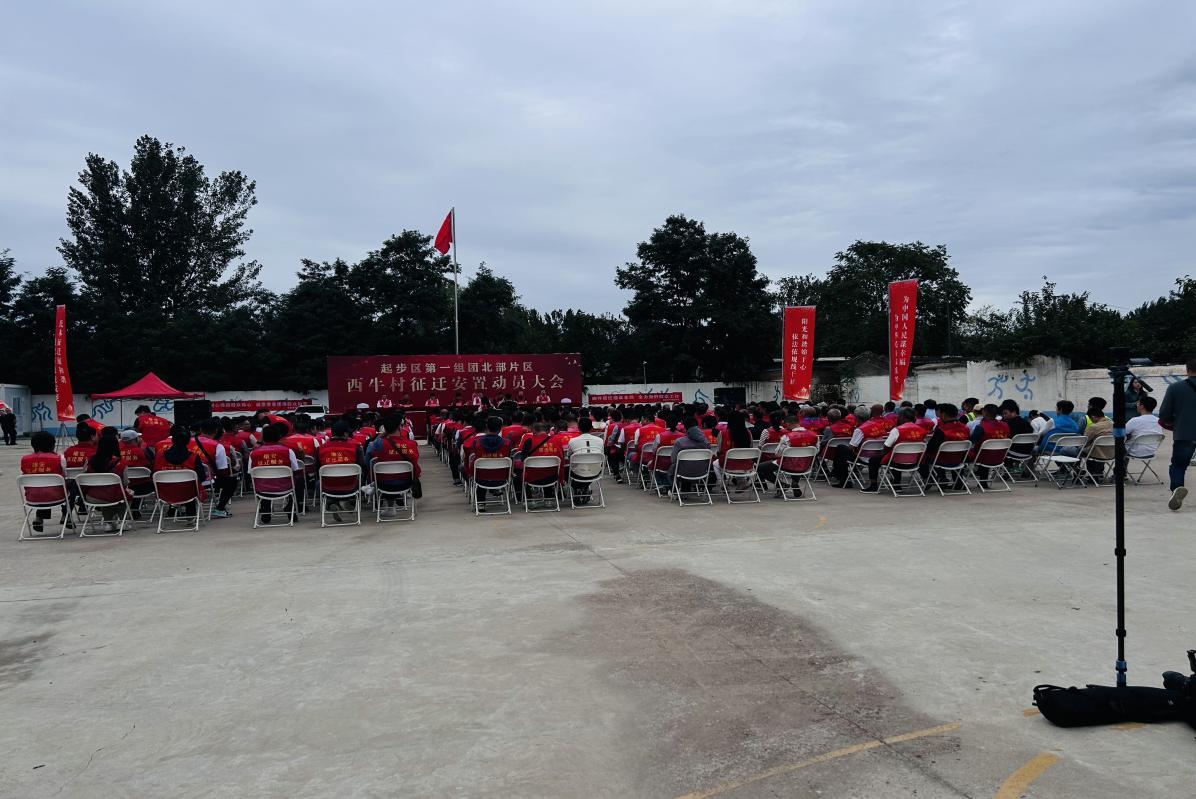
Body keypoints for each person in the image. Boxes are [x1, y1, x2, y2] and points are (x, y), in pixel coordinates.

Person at [1159, 356, 1196, 510]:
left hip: (1184, 433)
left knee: (1178, 465)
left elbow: (1164, 414)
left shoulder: (1175, 388)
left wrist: (1173, 422)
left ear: (1187, 370)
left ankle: (1177, 488)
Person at [20, 431, 73, 532]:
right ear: (52, 445)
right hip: (57, 497)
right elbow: (66, 475)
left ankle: (39, 517)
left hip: (32, 498)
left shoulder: (24, 459)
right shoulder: (59, 459)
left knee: (41, 487)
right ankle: (66, 516)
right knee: (71, 486)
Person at [369, 415, 422, 507]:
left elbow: (370, 460)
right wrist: (417, 474)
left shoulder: (378, 443)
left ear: (385, 429)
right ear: (399, 427)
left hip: (382, 483)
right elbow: (414, 463)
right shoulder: (411, 444)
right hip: (405, 483)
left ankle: (389, 506)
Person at [85, 434, 133, 532]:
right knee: (126, 493)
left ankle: (108, 523)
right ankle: (122, 521)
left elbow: (84, 477)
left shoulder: (90, 461)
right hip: (113, 496)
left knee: (104, 492)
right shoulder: (121, 463)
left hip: (92, 497)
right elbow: (125, 483)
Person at [196, 419, 236, 518]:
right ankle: (220, 509)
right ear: (216, 431)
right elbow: (222, 470)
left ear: (200, 429)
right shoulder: (217, 446)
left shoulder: (187, 441)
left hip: (185, 480)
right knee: (232, 482)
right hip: (205, 481)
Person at [1125, 395, 1163, 459]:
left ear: (1142, 406)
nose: (1136, 406)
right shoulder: (1159, 421)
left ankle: (1121, 465)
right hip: (1151, 452)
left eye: (1138, 404)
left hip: (1134, 452)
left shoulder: (1134, 420)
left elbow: (1121, 434)